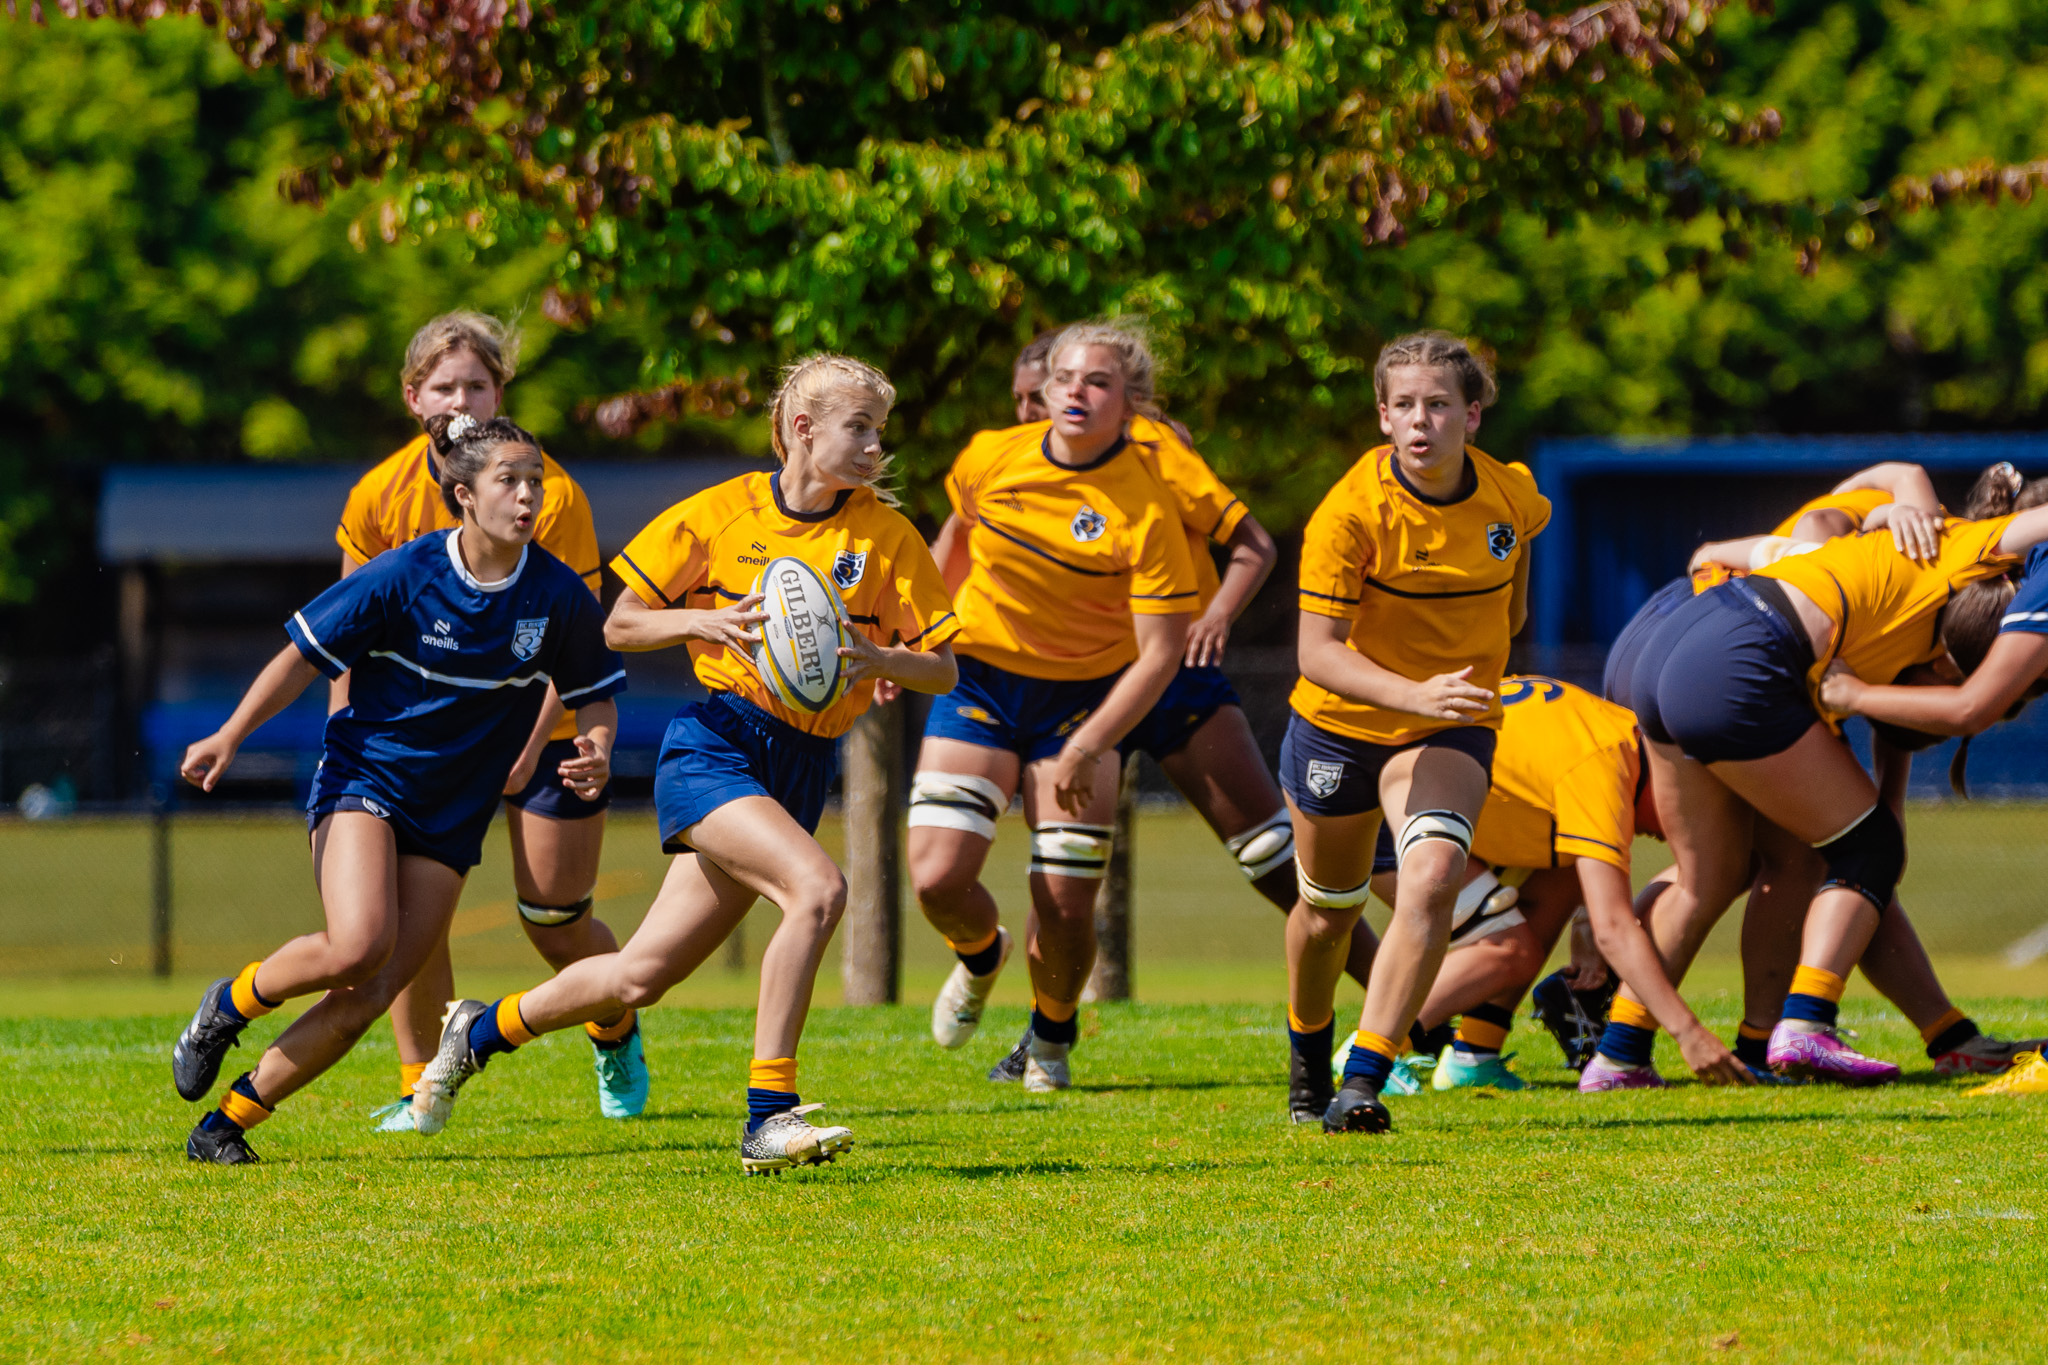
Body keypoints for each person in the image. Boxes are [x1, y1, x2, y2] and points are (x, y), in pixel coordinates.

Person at [410, 354, 961, 1175]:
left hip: (802, 763)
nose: (876, 445)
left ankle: (477, 1032)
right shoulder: (724, 511)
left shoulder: (886, 534)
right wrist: (701, 625)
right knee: (818, 890)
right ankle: (768, 1116)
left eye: (880, 429)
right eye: (859, 427)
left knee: (638, 977)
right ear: (803, 430)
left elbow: (943, 666)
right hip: (717, 743)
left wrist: (882, 658)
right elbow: (620, 624)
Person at [170, 413, 625, 1164]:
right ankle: (231, 1003)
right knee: (358, 944)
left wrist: (598, 746)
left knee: (370, 994)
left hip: (452, 816)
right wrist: (230, 733)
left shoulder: (557, 593)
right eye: (508, 480)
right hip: (367, 779)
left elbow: (596, 691)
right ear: (463, 495)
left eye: (535, 481)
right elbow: (300, 654)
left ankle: (225, 1125)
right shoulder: (406, 573)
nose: (527, 497)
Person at [1625, 485, 2048, 1083]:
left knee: (1743, 872)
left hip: (1677, 642)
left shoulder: (1906, 584)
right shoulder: (1965, 546)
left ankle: (1620, 1053)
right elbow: (1964, 709)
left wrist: (1889, 807)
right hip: (1740, 653)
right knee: (1861, 851)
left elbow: (1892, 724)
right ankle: (1803, 1026)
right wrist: (1908, 500)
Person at [334, 311, 643, 1129]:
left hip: (544, 728)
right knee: (409, 919)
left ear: (501, 390)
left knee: (553, 918)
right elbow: (344, 638)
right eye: (444, 385)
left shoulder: (554, 490)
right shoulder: (377, 495)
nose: (461, 398)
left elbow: (575, 640)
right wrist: (349, 742)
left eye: (478, 383)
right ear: (413, 397)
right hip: (422, 741)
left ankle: (614, 1029)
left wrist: (529, 741)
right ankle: (418, 1084)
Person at [911, 321, 1197, 1094]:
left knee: (1067, 899)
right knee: (936, 878)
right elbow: (957, 542)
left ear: (1130, 403)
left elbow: (1163, 652)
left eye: (1098, 381)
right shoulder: (988, 457)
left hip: (1083, 702)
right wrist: (916, 638)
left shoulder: (1147, 508)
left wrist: (1091, 742)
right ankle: (981, 954)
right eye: (1065, 376)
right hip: (979, 680)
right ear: (1042, 388)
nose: (1076, 390)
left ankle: (1051, 1034)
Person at [1279, 330, 1550, 1134]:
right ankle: (1306, 1053)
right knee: (1329, 912)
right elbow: (1316, 654)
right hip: (1339, 726)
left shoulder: (1513, 497)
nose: (1421, 420)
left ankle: (1364, 1077)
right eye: (1404, 406)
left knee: (1432, 878)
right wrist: (1413, 692)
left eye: (1438, 404)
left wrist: (1447, 694)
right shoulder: (1348, 515)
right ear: (1383, 419)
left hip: (1448, 726)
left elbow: (1517, 599)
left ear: (1473, 414)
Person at [1355, 675, 1753, 1094]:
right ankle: (1374, 1049)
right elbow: (1615, 930)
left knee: (1561, 873)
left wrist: (1583, 919)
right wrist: (1688, 1032)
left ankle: (1475, 1053)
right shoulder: (1603, 767)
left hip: (1413, 783)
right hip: (1399, 812)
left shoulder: (1620, 734)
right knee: (1509, 950)